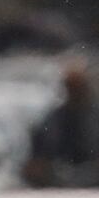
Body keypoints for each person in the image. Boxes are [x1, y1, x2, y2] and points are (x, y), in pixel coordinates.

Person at [25, 56, 99, 187]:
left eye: (79, 88)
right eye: (72, 88)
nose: (76, 93)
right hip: (58, 185)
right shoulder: (53, 120)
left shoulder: (93, 117)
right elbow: (38, 155)